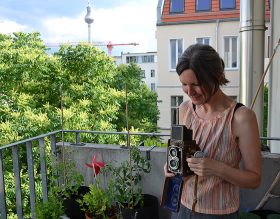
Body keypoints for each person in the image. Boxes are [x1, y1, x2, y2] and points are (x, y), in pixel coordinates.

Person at [164, 44, 261, 219]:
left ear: (217, 77)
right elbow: (177, 153)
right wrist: (171, 166)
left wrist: (217, 168)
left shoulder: (241, 118)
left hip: (219, 213)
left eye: (196, 84)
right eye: (184, 84)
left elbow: (254, 179)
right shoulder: (184, 109)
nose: (189, 92)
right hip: (181, 207)